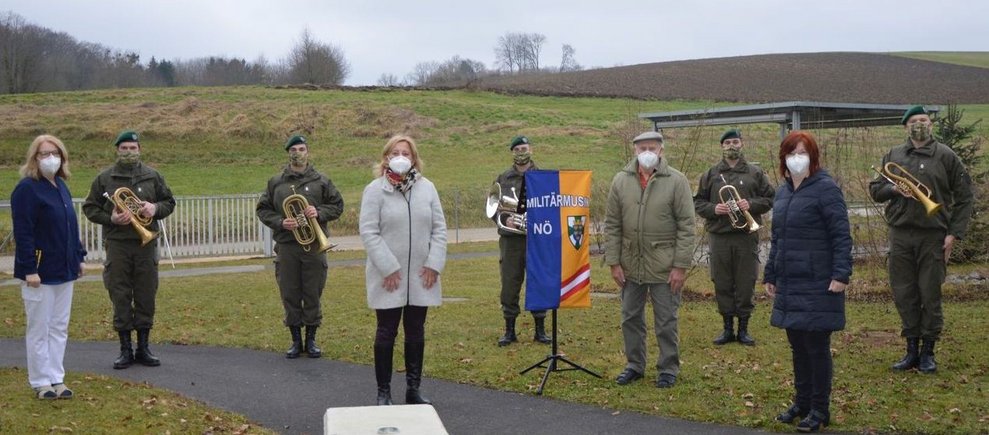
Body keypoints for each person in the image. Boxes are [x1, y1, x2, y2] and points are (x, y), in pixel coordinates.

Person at [868, 105, 974, 374]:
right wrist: (893, 188)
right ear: (906, 127)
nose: (920, 124)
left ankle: (928, 351)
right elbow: (876, 190)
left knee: (930, 292)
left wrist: (953, 234)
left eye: (924, 120)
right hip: (901, 233)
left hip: (933, 236)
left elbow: (965, 197)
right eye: (914, 121)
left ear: (931, 124)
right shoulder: (893, 154)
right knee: (904, 292)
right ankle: (911, 350)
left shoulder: (946, 156)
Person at [764, 131, 852, 432]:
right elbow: (778, 237)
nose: (796, 158)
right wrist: (771, 273)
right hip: (790, 281)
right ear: (783, 158)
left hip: (819, 281)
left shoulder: (826, 189)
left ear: (813, 157)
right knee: (798, 346)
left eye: (803, 152)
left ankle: (819, 409)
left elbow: (841, 235)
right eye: (791, 153)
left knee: (816, 346)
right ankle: (801, 403)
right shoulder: (783, 191)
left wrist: (841, 275)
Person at [359, 135, 447, 406]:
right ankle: (383, 392)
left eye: (406, 153)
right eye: (395, 152)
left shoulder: (427, 188)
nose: (400, 157)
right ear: (386, 157)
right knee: (386, 331)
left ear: (413, 158)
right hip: (388, 277)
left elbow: (439, 229)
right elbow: (369, 231)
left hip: (422, 275)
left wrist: (434, 263)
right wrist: (388, 267)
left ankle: (413, 389)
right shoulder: (374, 190)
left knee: (416, 330)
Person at [605, 131, 696, 389]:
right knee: (630, 317)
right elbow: (611, 224)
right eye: (642, 147)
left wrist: (680, 265)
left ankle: (668, 368)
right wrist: (614, 261)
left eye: (652, 148)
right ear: (634, 150)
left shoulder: (677, 181)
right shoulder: (620, 180)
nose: (647, 152)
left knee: (666, 319)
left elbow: (687, 226)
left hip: (665, 264)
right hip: (630, 263)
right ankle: (634, 365)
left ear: (661, 151)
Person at [83, 130, 176, 369]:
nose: (128, 152)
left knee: (146, 293)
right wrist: (111, 218)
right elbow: (90, 208)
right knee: (120, 293)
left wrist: (154, 209)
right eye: (124, 148)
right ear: (117, 150)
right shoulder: (105, 178)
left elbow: (169, 202)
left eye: (132, 149)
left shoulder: (153, 176)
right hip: (118, 244)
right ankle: (125, 349)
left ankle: (143, 347)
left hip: (146, 245)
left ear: (139, 150)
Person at [12, 135, 87, 399]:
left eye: (54, 153)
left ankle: (57, 377)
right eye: (44, 154)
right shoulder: (27, 189)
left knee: (58, 327)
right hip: (39, 273)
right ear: (34, 158)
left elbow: (70, 226)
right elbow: (24, 232)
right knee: (39, 328)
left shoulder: (60, 187)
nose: (50, 158)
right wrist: (29, 268)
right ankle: (41, 381)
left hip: (63, 270)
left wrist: (78, 257)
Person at [256, 135, 344, 359]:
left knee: (313, 292)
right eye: (293, 149)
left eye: (302, 148)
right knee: (290, 293)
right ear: (288, 153)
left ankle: (311, 340)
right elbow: (263, 209)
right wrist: (280, 222)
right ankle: (296, 340)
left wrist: (319, 212)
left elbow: (337, 205)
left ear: (308, 152)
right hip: (287, 247)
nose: (298, 152)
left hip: (314, 245)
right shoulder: (276, 182)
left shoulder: (321, 180)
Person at [694, 128, 775, 346]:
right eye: (727, 142)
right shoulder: (711, 174)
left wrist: (752, 204)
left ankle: (744, 329)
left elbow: (770, 198)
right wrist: (714, 209)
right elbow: (698, 203)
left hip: (746, 237)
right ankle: (727, 328)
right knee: (722, 281)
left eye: (735, 142)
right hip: (719, 236)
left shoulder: (755, 173)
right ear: (722, 146)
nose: (732, 145)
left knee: (746, 281)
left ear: (742, 144)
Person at [491, 135, 550, 346]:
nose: (520, 152)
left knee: (538, 282)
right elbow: (493, 208)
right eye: (516, 150)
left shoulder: (543, 177)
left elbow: (550, 206)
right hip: (511, 241)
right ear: (512, 153)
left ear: (531, 150)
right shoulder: (503, 178)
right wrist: (507, 220)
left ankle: (540, 330)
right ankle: (509, 331)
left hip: (536, 240)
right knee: (509, 283)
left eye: (523, 148)